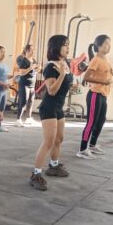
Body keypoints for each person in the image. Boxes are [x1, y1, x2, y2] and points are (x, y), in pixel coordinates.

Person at [30, 35, 75, 190]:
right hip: (49, 107)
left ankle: (54, 166)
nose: (68, 48)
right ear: (56, 47)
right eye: (65, 45)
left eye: (68, 45)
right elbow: (51, 90)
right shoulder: (51, 67)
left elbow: (64, 85)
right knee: (48, 142)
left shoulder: (65, 63)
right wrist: (62, 75)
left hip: (58, 107)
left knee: (59, 139)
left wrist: (70, 83)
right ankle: (36, 174)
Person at [77, 34, 113, 159]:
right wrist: (104, 82)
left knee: (101, 120)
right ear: (98, 46)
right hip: (95, 94)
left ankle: (92, 145)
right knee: (91, 122)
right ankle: (82, 149)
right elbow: (86, 77)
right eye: (106, 44)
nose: (109, 46)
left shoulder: (105, 59)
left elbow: (103, 75)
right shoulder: (96, 60)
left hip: (103, 94)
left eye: (110, 44)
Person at [14, 44, 39, 127]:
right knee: (23, 102)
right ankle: (18, 120)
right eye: (32, 50)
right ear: (27, 51)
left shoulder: (33, 60)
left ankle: (28, 118)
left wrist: (38, 69)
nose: (33, 51)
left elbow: (35, 70)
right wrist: (30, 68)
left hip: (32, 84)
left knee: (31, 102)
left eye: (34, 50)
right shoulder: (23, 60)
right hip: (24, 84)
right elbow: (21, 72)